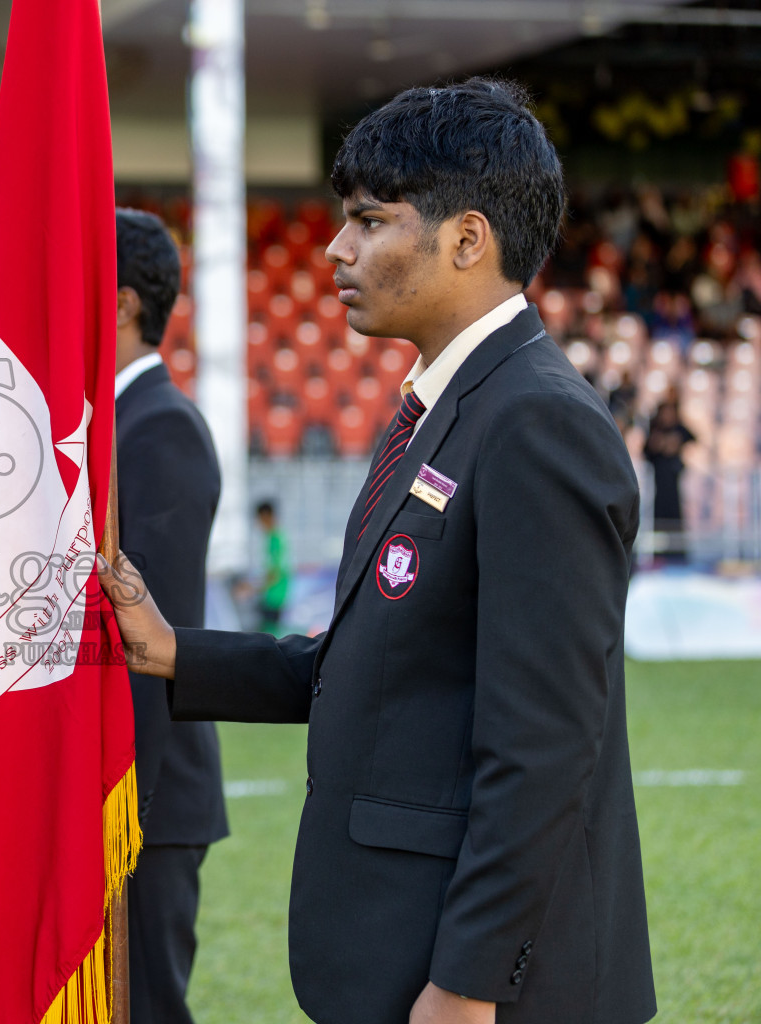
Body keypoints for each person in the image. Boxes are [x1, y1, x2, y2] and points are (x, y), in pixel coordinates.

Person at [100, 79, 655, 1024]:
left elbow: (545, 740)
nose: (336, 249)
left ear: (467, 240)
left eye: (368, 221)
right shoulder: (445, 407)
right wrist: (174, 651)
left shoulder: (536, 423)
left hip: (487, 986)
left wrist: (470, 982)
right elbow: (382, 663)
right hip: (397, 944)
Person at [111, 208, 227, 1024]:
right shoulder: (113, 423)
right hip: (109, 784)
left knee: (146, 1008)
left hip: (143, 794)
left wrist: (123, 812)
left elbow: (146, 629)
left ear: (118, 303)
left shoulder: (160, 427)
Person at [643, 399, 695, 558]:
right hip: (659, 486)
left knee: (676, 519)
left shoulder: (679, 430)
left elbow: (693, 439)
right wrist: (658, 445)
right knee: (659, 522)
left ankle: (679, 555)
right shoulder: (655, 431)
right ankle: (658, 556)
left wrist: (676, 443)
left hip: (675, 485)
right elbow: (646, 452)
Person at [253, 500, 289, 634]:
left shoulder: (276, 539)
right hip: (274, 596)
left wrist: (253, 588)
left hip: (274, 597)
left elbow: (275, 574)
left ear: (266, 515)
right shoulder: (274, 537)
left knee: (269, 637)